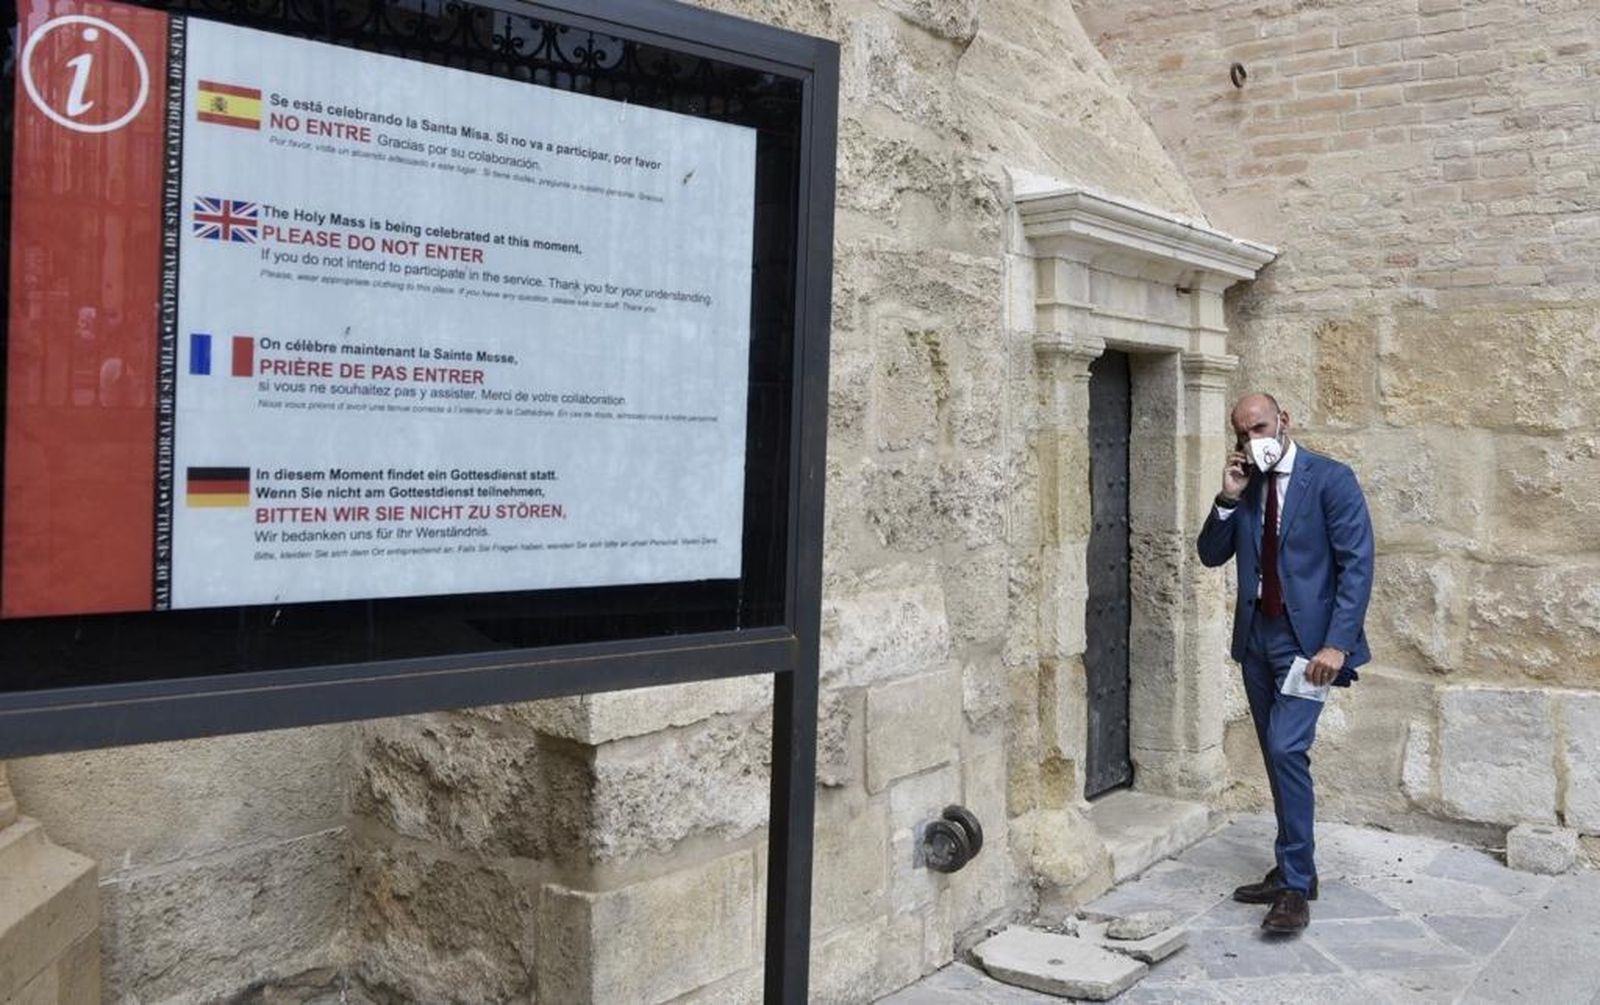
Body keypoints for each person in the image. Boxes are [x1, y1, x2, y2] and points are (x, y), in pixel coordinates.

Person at [1196, 393, 1374, 934]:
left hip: (1310, 646)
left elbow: (1356, 564)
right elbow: (1210, 553)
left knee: (1285, 745)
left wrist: (1337, 645)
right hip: (1257, 639)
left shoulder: (1330, 479)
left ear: (1284, 422)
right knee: (1279, 758)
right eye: (1244, 433)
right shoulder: (1247, 484)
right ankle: (1295, 868)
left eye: (1262, 427)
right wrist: (1227, 499)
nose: (1255, 440)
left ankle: (1295, 887)